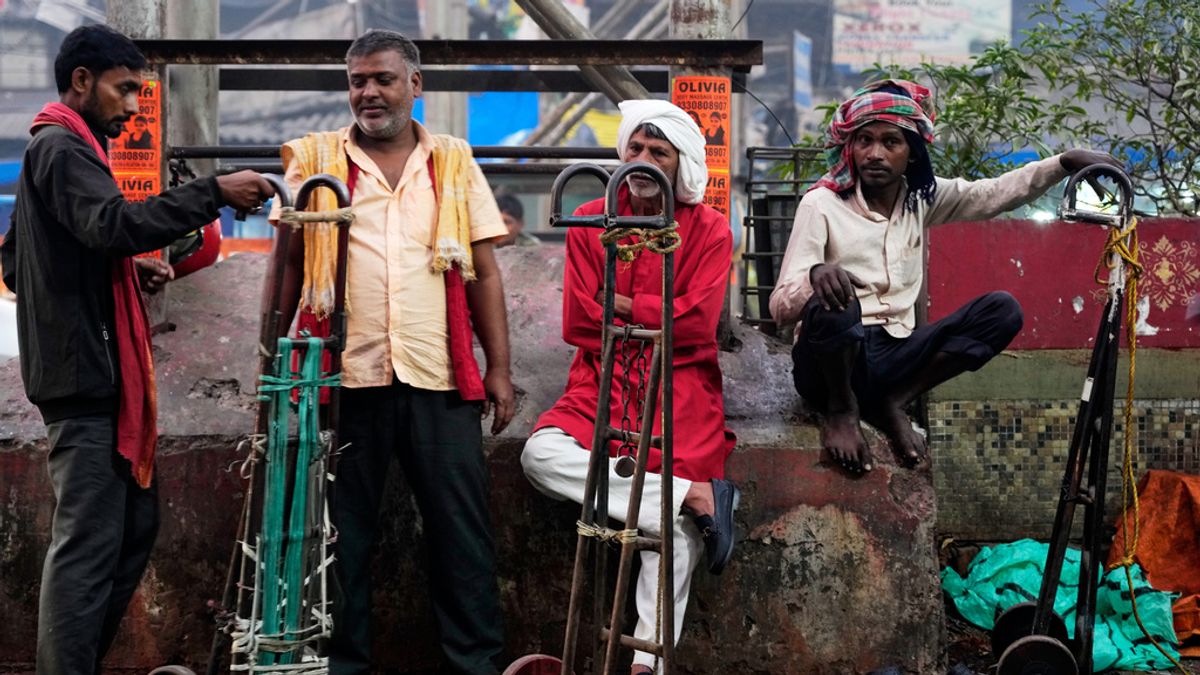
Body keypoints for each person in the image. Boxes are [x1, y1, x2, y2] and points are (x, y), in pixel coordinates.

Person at [0, 24, 272, 675]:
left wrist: (117, 273)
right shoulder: (64, 147)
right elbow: (109, 224)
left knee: (130, 531)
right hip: (84, 379)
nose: (130, 106)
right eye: (123, 91)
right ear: (83, 81)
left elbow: (18, 261)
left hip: (93, 374)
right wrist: (211, 193)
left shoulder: (63, 148)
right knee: (91, 545)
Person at [269, 29, 515, 675]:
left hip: (439, 377)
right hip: (345, 381)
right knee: (339, 542)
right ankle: (342, 666)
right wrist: (269, 360)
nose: (368, 93)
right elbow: (288, 266)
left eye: (381, 78)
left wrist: (501, 369)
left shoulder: (455, 163)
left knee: (463, 540)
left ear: (415, 84)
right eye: (357, 81)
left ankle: (475, 664)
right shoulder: (317, 162)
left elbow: (484, 273)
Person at [768, 79, 1120, 475]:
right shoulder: (822, 203)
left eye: (890, 142)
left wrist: (1063, 162)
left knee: (1002, 311)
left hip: (891, 357)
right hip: (829, 365)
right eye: (864, 141)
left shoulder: (921, 199)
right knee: (837, 302)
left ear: (911, 154)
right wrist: (817, 275)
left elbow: (993, 194)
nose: (875, 153)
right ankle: (842, 411)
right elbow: (780, 306)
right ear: (850, 148)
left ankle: (892, 402)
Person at [521, 100, 739, 675]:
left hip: (680, 388)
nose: (641, 161)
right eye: (635, 149)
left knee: (675, 537)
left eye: (657, 153)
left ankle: (646, 665)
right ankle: (692, 495)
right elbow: (577, 323)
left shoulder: (712, 229)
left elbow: (695, 326)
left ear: (679, 166)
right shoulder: (593, 216)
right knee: (540, 455)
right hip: (600, 382)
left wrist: (621, 306)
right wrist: (655, 312)